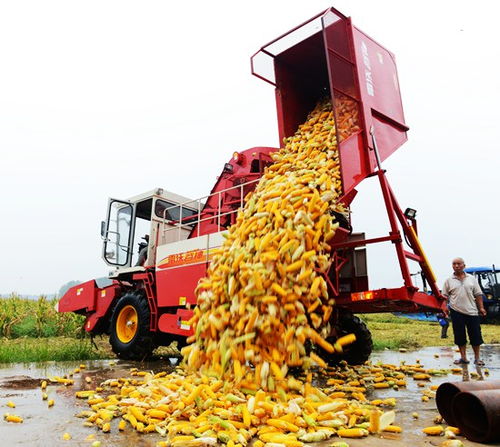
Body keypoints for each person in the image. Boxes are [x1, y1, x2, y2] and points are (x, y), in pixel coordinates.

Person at [442, 257, 487, 366]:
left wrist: (481, 308)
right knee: (459, 336)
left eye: (458, 264)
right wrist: (444, 309)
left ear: (464, 266)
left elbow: (478, 294)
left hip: (472, 311)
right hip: (456, 311)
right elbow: (444, 296)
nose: (456, 266)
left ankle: (477, 358)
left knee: (476, 336)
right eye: (454, 264)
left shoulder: (471, 279)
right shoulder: (449, 280)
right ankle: (463, 358)